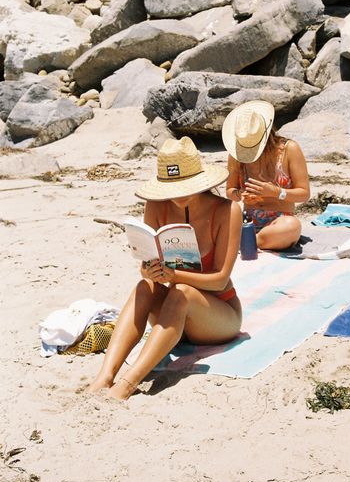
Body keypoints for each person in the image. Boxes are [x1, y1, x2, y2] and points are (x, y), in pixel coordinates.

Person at [88, 136, 242, 400]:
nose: (178, 194)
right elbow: (148, 267)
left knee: (182, 290)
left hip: (220, 316)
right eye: (172, 186)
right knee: (145, 286)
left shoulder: (227, 211)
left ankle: (128, 383)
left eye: (185, 186)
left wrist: (174, 275)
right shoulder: (157, 206)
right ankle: (105, 377)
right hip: (176, 314)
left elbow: (219, 280)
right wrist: (150, 272)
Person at [222, 100, 310, 251]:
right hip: (247, 222)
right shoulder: (237, 154)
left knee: (291, 226)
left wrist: (276, 192)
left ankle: (246, 242)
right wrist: (242, 194)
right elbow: (230, 191)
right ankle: (250, 241)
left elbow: (304, 194)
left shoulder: (289, 150)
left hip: (279, 222)